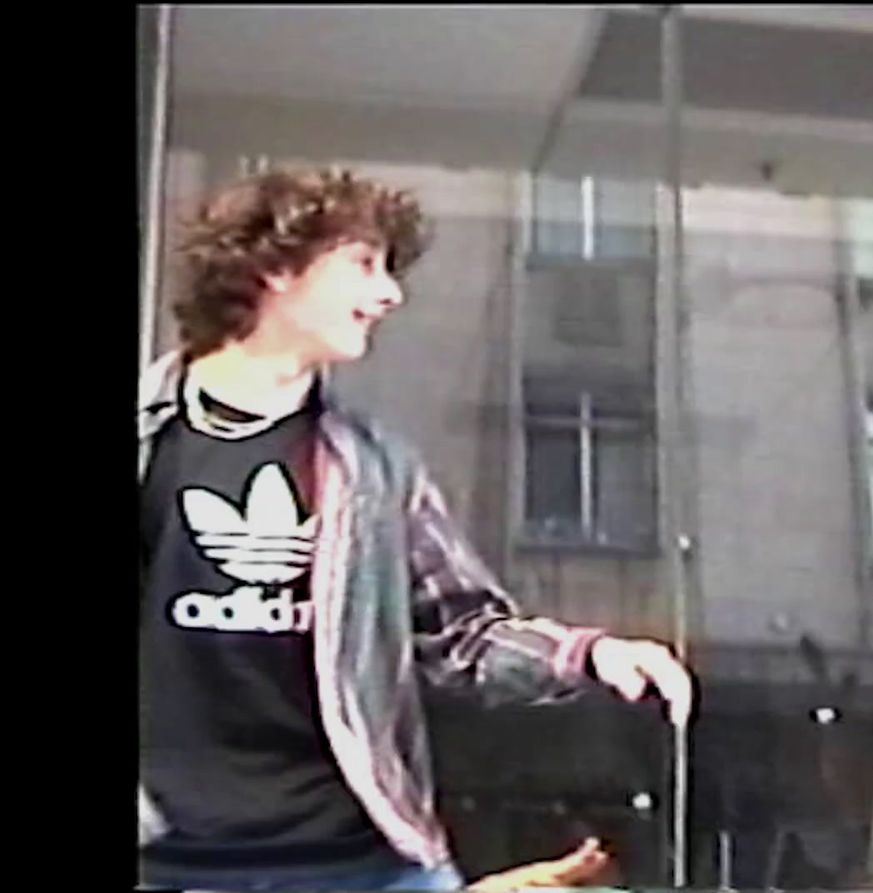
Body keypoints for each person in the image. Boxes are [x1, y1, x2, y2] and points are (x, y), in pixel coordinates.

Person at [138, 166, 694, 891]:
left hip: (358, 860)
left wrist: (585, 654)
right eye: (363, 265)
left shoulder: (375, 469)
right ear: (276, 267)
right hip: (165, 857)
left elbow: (459, 632)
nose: (387, 294)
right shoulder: (152, 440)